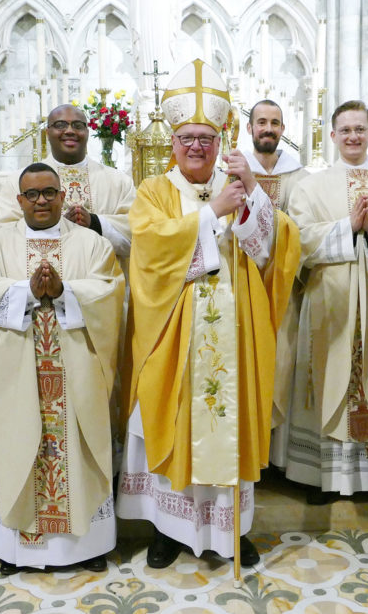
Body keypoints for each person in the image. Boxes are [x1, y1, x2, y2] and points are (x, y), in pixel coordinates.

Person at [116, 59, 300, 570]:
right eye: (187, 138)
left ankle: (230, 530)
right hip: (172, 336)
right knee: (168, 421)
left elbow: (278, 248)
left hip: (234, 337)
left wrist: (252, 198)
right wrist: (212, 211)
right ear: (172, 144)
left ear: (221, 141)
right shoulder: (155, 190)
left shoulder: (238, 182)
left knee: (229, 419)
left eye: (207, 137)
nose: (197, 146)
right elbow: (149, 250)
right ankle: (168, 531)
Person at [0, 162, 125, 575]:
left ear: (62, 196)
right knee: (15, 445)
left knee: (77, 449)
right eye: (32, 194)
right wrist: (26, 292)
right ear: (18, 200)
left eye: (49, 192)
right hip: (14, 373)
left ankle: (86, 546)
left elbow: (111, 294)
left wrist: (65, 290)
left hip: (75, 375)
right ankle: (15, 550)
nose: (41, 201)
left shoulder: (91, 244)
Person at [284, 100, 368, 504]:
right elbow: (298, 238)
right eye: (345, 130)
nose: (353, 137)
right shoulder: (310, 186)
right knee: (329, 378)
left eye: (360, 129)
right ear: (332, 135)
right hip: (332, 300)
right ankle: (325, 477)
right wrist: (348, 229)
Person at [243, 99, 309, 469]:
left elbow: (303, 231)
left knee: (282, 366)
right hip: (243, 287)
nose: (268, 128)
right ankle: (248, 458)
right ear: (250, 129)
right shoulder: (230, 171)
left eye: (275, 123)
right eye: (261, 122)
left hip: (285, 289)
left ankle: (279, 460)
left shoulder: (301, 178)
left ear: (284, 129)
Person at [0, 104, 135, 258]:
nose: (69, 131)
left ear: (87, 132)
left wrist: (94, 223)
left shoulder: (119, 181)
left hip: (100, 278)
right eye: (60, 125)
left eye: (78, 125)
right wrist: (54, 227)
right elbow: (4, 235)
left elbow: (137, 235)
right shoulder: (18, 181)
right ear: (47, 132)